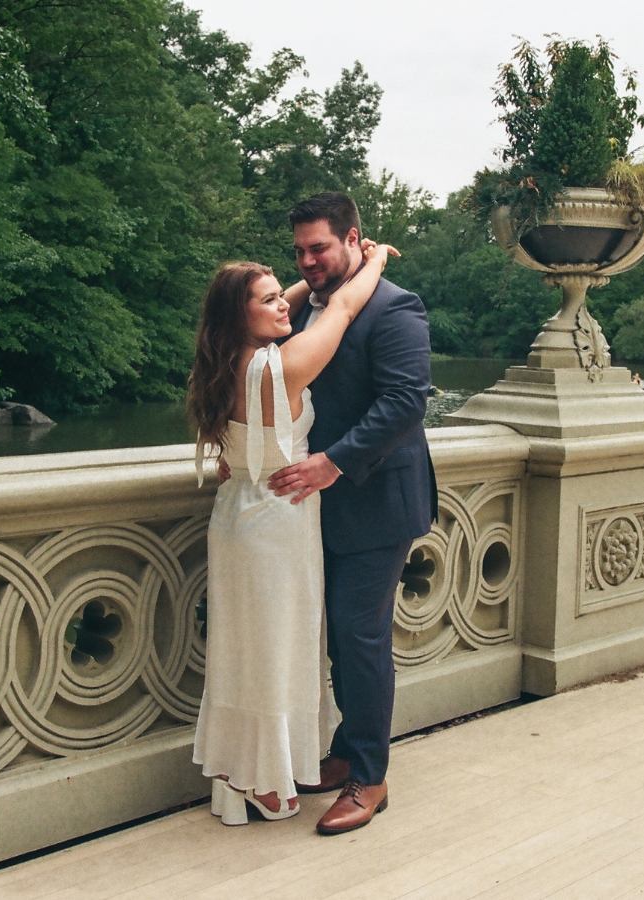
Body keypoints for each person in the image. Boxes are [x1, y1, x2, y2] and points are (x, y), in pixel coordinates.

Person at [188, 240, 396, 826]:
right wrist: (375, 260)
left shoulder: (223, 361)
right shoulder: (279, 367)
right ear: (241, 315)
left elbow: (282, 303)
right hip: (278, 524)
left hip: (235, 517)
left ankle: (239, 769)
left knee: (242, 650)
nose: (287, 304)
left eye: (285, 293)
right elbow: (343, 310)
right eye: (271, 300)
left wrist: (284, 289)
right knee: (279, 651)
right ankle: (267, 780)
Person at [268, 192, 437, 835]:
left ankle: (370, 776)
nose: (310, 260)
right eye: (301, 251)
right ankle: (345, 750)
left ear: (352, 239)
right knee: (336, 635)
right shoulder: (307, 307)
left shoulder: (396, 309)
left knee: (359, 638)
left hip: (377, 499)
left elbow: (404, 404)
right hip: (316, 504)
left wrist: (331, 462)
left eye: (320, 247)